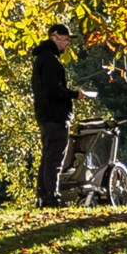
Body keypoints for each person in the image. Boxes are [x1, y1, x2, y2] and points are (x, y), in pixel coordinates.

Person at [32, 21, 76, 206]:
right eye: (64, 39)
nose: (67, 44)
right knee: (55, 158)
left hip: (45, 115)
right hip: (55, 115)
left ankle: (43, 195)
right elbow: (54, 90)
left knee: (48, 156)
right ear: (54, 37)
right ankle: (51, 196)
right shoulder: (50, 60)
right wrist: (75, 94)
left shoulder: (42, 58)